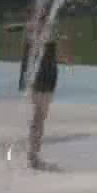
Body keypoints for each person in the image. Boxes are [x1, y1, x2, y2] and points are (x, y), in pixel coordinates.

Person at [26, 33, 70, 170]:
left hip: (47, 80)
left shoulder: (46, 38)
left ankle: (34, 154)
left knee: (39, 118)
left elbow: (64, 58)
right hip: (40, 80)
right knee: (38, 117)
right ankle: (33, 155)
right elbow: (64, 58)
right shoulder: (38, 37)